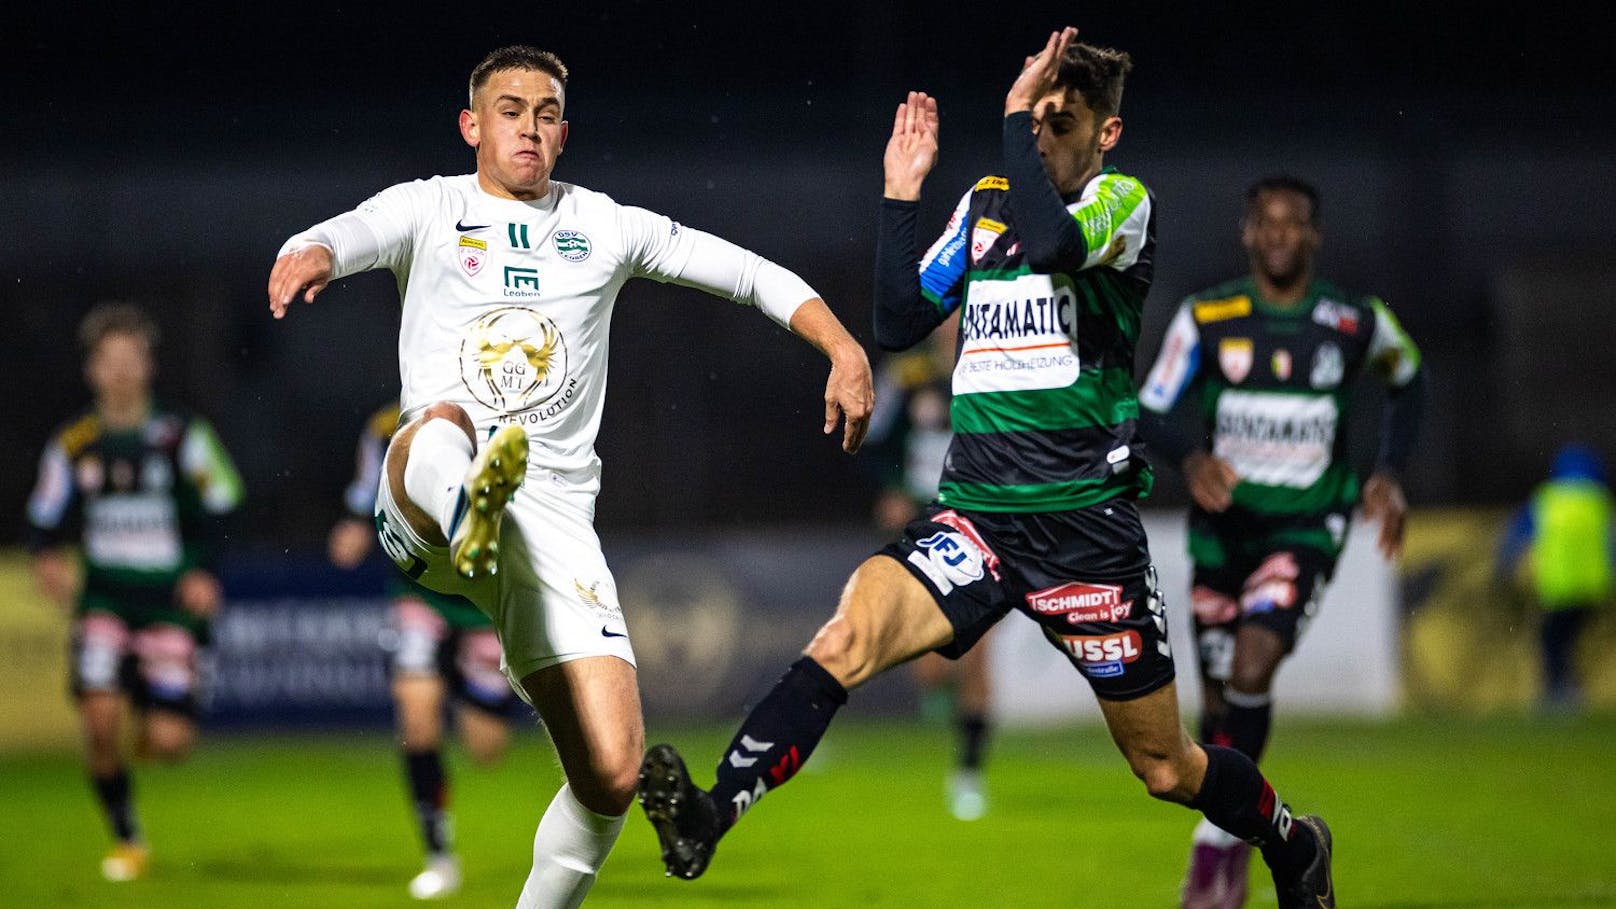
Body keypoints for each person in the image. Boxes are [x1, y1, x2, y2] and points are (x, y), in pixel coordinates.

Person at [636, 29, 1335, 908]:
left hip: (1085, 531)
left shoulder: (1125, 203)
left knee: (1165, 767)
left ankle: (1292, 840)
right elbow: (896, 319)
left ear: (1106, 133)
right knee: (844, 638)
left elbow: (1051, 247)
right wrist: (900, 196)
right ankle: (707, 814)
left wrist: (1010, 112)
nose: (1040, 135)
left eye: (1061, 121)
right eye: (1033, 120)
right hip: (977, 517)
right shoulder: (987, 203)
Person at [267, 46, 872, 909]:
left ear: (563, 132)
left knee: (613, 771)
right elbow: (345, 230)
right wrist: (311, 251)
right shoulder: (430, 207)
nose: (530, 126)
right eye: (510, 109)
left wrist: (843, 347)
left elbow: (746, 272)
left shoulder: (606, 225)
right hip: (434, 497)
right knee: (443, 423)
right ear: (473, 125)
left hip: (550, 518)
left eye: (547, 112)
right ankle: (470, 501)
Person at [1137, 174, 1424, 909]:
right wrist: (1191, 458)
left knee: (1256, 663)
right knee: (1217, 713)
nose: (1278, 235)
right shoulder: (1209, 316)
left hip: (1306, 526)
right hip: (1222, 537)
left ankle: (1214, 853)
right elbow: (1153, 408)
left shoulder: (1352, 322)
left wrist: (1389, 470)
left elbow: (1409, 376)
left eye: (1293, 223)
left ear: (1314, 234)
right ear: (1247, 232)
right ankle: (1267, 836)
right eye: (1266, 223)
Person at [26, 302, 244, 882]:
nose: (120, 371)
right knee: (99, 723)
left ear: (147, 365)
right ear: (92, 370)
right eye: (109, 360)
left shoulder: (180, 437)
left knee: (170, 744)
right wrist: (46, 558)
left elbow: (225, 502)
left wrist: (203, 569)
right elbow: (43, 517)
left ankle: (153, 703)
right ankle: (127, 838)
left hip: (168, 602)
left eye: (130, 358)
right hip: (104, 600)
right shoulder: (75, 444)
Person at [329, 401, 527, 899]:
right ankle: (439, 855)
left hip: (482, 599)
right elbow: (366, 494)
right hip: (418, 593)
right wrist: (353, 526)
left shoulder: (500, 415)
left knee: (487, 748)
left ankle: (457, 679)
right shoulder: (383, 427)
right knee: (417, 718)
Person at [864, 315, 994, 820]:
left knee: (978, 652)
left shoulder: (999, 372)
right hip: (920, 523)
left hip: (978, 524)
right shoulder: (907, 375)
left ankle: (968, 773)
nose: (956, 327)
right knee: (931, 666)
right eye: (950, 318)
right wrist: (892, 488)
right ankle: (939, 697)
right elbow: (872, 440)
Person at [1495, 442, 1614, 711]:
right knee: (1565, 639)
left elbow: (1516, 536)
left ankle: (1559, 693)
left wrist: (1504, 568)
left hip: (1560, 588)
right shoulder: (1598, 502)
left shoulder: (1548, 499)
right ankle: (1567, 690)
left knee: (1551, 639)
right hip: (1593, 588)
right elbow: (1611, 543)